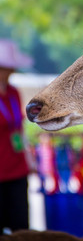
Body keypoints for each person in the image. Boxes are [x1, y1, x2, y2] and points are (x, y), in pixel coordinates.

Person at [0, 39, 32, 234]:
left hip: (18, 168)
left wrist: (29, 159)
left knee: (21, 227)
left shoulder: (13, 92)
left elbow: (19, 128)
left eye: (11, 68)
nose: (10, 72)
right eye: (5, 68)